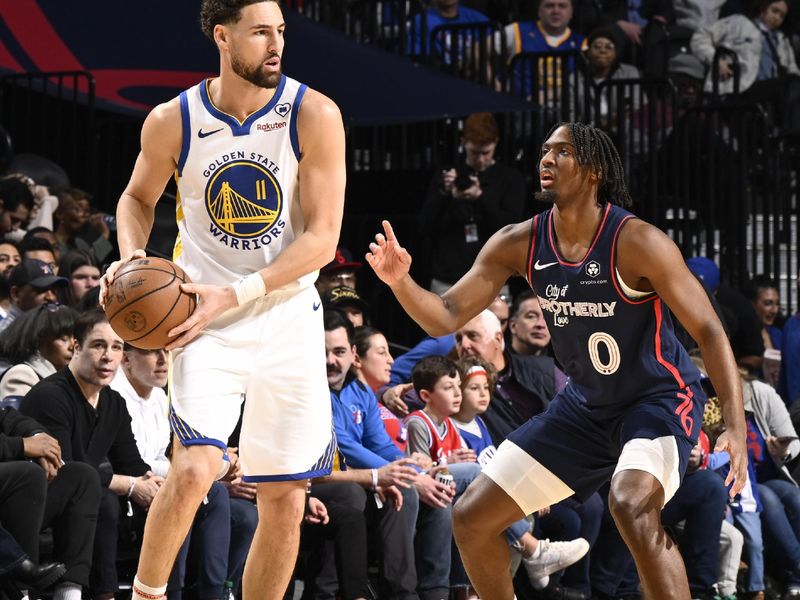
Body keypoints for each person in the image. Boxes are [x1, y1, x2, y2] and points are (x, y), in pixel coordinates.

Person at [366, 121, 747, 600]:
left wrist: (734, 424)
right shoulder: (519, 241)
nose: (546, 159)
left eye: (562, 152)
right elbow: (444, 316)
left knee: (629, 504)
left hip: (656, 402)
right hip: (584, 409)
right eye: (545, 150)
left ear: (592, 170)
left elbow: (710, 330)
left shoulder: (636, 241)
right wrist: (401, 282)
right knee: (472, 517)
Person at [97, 2, 346, 599]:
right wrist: (132, 255)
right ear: (222, 36)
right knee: (194, 469)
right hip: (199, 318)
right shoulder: (172, 119)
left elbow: (322, 240)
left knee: (285, 497)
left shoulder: (314, 113)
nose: (276, 43)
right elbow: (136, 198)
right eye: (261, 32)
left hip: (285, 316)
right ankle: (147, 595)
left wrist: (234, 294)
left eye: (281, 31)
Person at [20, 309, 161, 600]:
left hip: (84, 502)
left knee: (174, 504)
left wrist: (153, 484)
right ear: (75, 346)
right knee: (101, 497)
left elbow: (133, 464)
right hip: (37, 504)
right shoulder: (50, 396)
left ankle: (172, 591)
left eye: (117, 347)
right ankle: (99, 594)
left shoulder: (113, 402)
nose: (108, 356)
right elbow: (66, 470)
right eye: (99, 345)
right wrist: (130, 485)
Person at [110, 345, 254, 598]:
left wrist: (216, 463)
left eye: (166, 352)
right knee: (187, 496)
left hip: (160, 483)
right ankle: (174, 593)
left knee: (244, 516)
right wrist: (212, 466)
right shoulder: (115, 394)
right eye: (151, 352)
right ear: (126, 359)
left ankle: (217, 591)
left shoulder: (158, 395)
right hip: (130, 493)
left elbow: (166, 456)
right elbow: (137, 462)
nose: (163, 360)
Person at [418, 113, 525, 294]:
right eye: (474, 152)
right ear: (463, 143)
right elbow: (424, 227)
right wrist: (445, 194)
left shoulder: (510, 179)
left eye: (486, 153)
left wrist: (480, 197)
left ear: (496, 144)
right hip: (448, 277)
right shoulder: (448, 175)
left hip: (493, 277)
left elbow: (512, 231)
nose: (480, 159)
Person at [0, 303, 77, 400]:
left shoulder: (75, 377)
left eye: (76, 338)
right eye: (63, 338)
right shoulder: (22, 375)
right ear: (39, 341)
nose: (73, 346)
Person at [0, 259, 69, 334]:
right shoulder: (6, 335)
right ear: (16, 294)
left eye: (54, 291)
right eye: (41, 290)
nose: (51, 297)